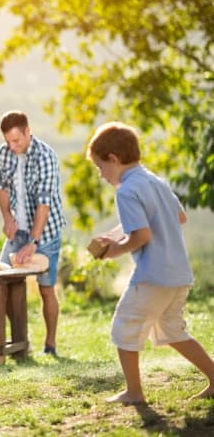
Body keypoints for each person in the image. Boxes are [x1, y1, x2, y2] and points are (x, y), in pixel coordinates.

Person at [87, 121, 214, 404]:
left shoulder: (126, 191)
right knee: (172, 331)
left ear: (114, 160)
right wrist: (117, 232)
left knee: (124, 326)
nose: (101, 175)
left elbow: (142, 235)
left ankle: (134, 392)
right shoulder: (155, 181)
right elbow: (179, 217)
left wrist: (112, 251)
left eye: (100, 168)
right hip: (179, 274)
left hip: (152, 276)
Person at [0, 110, 66, 356]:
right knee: (1, 281)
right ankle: (20, 344)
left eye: (17, 140)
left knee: (46, 289)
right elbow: (1, 187)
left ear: (28, 131)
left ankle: (51, 345)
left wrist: (34, 242)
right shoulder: (4, 154)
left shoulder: (46, 156)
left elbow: (44, 204)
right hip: (18, 231)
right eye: (8, 141)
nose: (12, 146)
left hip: (45, 232)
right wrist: (7, 218)